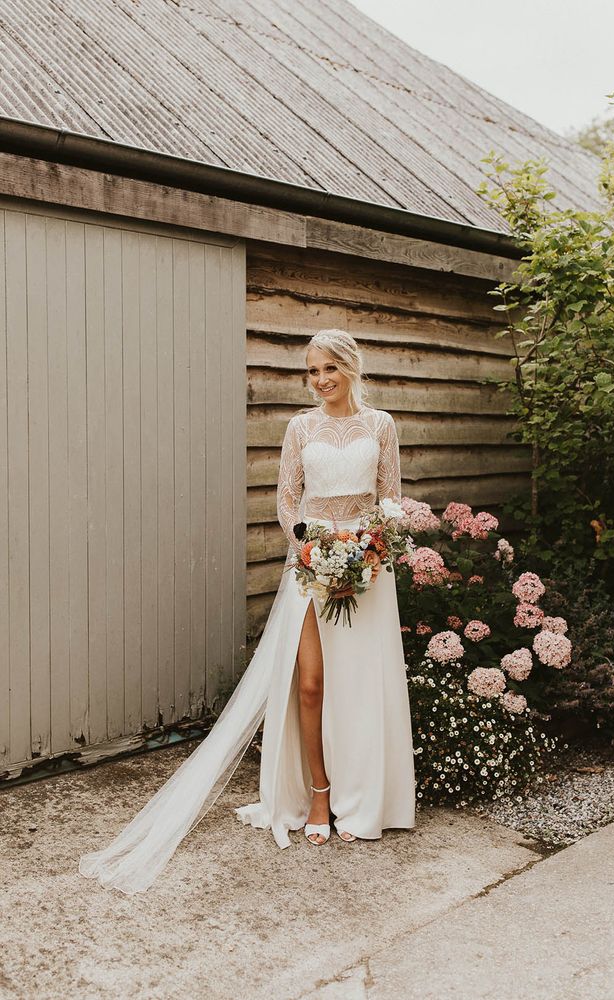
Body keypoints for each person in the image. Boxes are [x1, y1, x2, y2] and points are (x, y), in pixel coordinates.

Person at [79, 329, 415, 893]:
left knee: (362, 685)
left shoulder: (381, 425)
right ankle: (319, 792)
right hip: (311, 564)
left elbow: (390, 499)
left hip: (367, 569)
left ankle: (363, 800)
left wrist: (370, 549)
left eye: (330, 368)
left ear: (352, 368)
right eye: (313, 370)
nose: (321, 380)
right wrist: (309, 547)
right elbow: (286, 499)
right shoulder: (300, 427)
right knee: (310, 684)